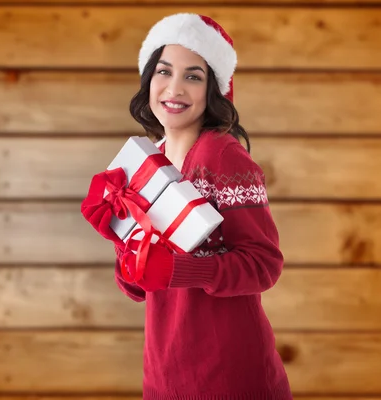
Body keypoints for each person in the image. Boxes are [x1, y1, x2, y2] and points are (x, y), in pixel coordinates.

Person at [81, 13, 293, 400]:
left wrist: (181, 270)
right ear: (149, 79)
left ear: (213, 89)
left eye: (193, 76)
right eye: (164, 72)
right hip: (164, 375)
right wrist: (120, 239)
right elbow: (139, 288)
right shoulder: (145, 161)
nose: (174, 88)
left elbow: (264, 265)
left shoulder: (222, 158)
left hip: (229, 377)